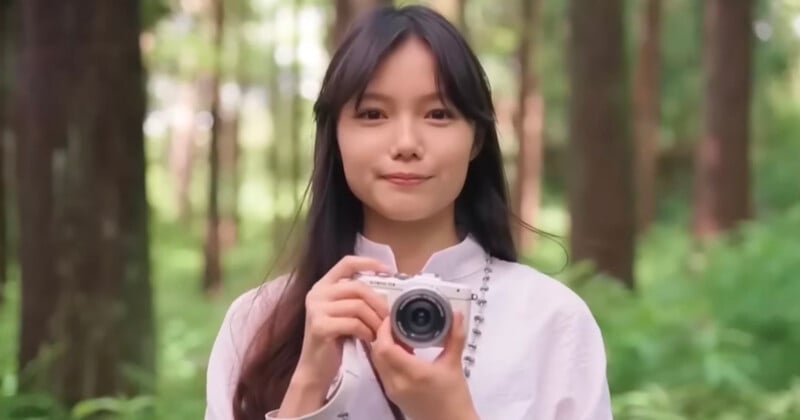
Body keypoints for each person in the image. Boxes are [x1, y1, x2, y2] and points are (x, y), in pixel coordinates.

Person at [205, 5, 612, 420]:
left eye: (438, 114)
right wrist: (308, 383)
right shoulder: (257, 322)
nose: (405, 142)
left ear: (476, 140)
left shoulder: (552, 321)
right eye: (373, 114)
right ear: (335, 136)